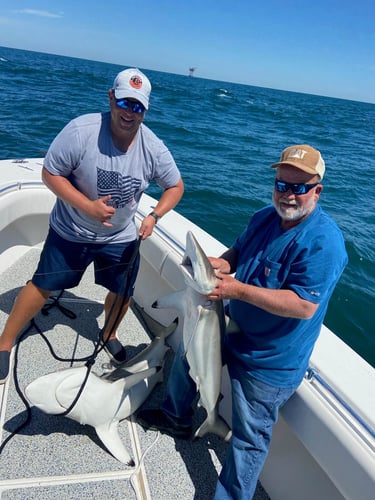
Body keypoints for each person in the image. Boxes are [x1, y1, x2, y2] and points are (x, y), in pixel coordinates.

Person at [136, 144, 348, 499]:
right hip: (230, 328)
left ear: (317, 190)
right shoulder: (264, 217)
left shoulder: (324, 243)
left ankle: (231, 494)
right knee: (187, 363)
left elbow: (302, 306)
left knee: (249, 441)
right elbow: (237, 253)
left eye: (299, 188)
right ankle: (177, 417)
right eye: (282, 185)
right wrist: (220, 265)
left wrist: (237, 290)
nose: (289, 195)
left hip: (269, 361)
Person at [0, 68, 184, 384]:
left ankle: (109, 333)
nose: (130, 112)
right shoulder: (81, 131)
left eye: (138, 107)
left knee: (123, 290)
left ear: (145, 110)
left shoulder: (153, 147)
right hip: (72, 229)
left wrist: (154, 217)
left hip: (121, 236)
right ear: (111, 97)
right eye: (125, 102)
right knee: (42, 285)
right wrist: (87, 207)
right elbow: (51, 173)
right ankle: (4, 344)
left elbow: (176, 186)